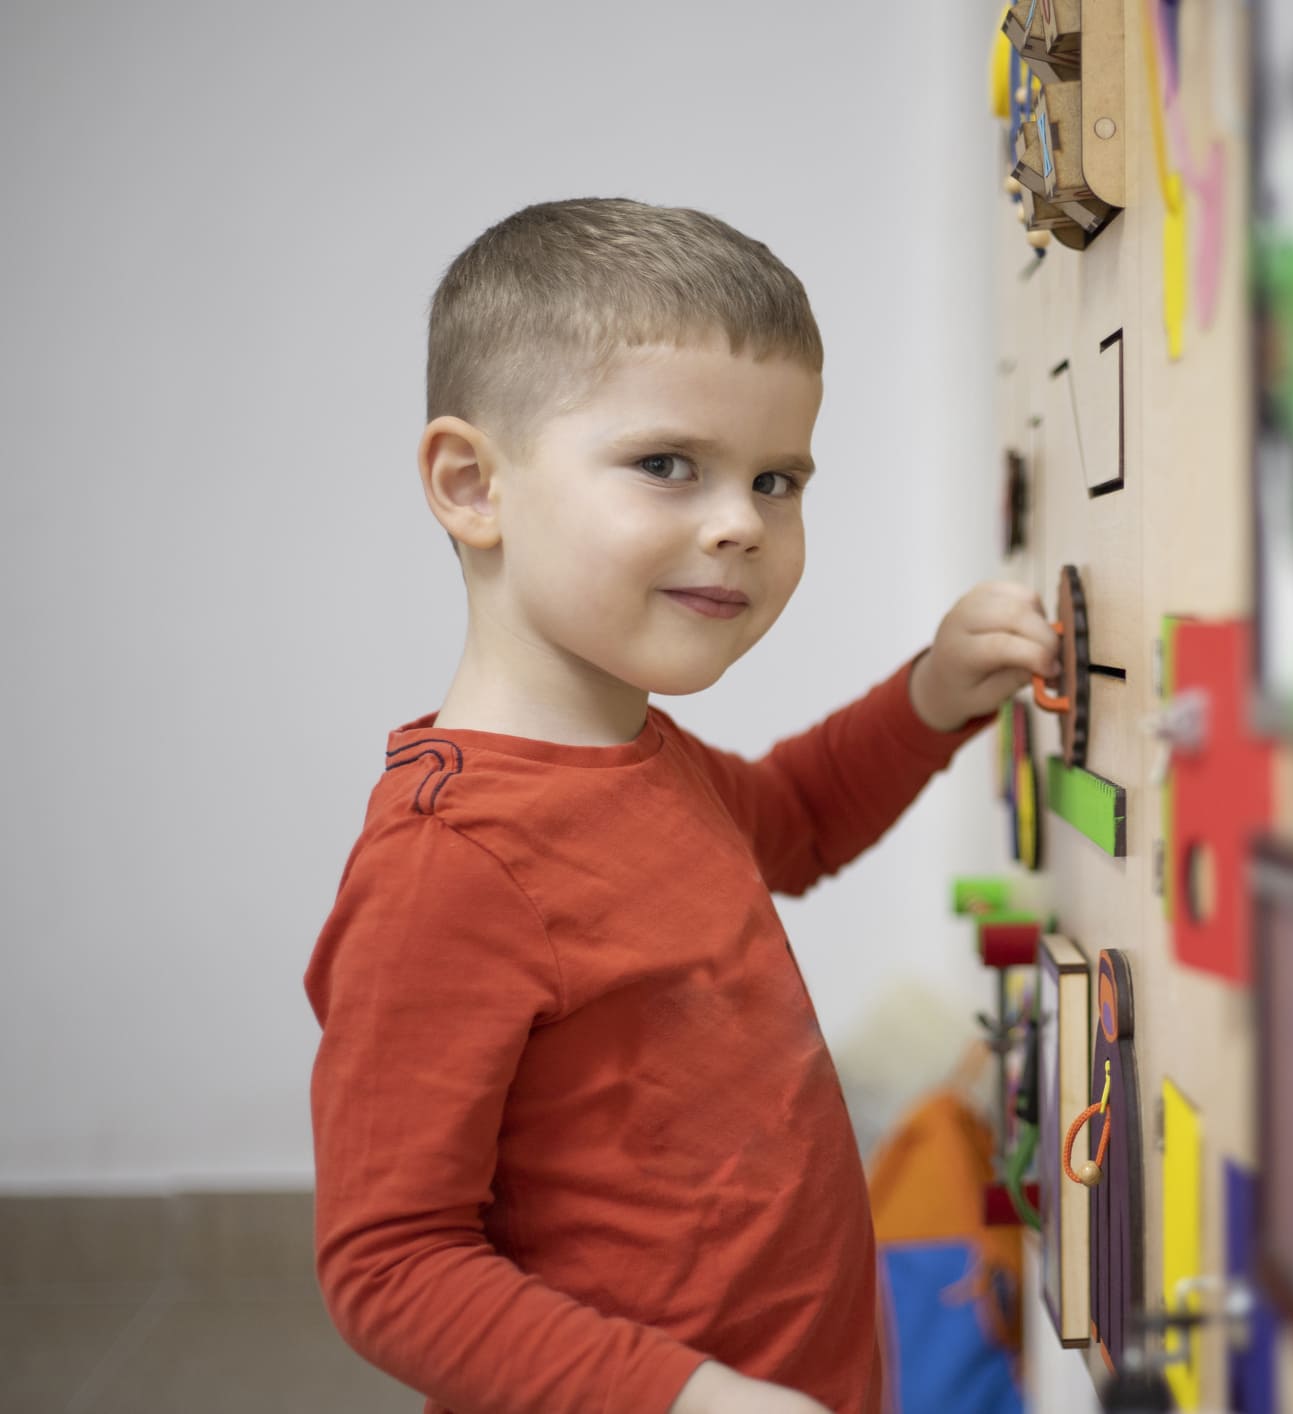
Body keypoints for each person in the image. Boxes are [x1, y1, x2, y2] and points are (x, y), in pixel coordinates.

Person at [304, 197, 1060, 1414]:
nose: (740, 524)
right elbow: (390, 1266)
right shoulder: (448, 864)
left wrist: (931, 693)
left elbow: (798, 820)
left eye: (777, 479)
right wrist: (690, 1396)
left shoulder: (647, 754)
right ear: (471, 483)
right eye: (668, 465)